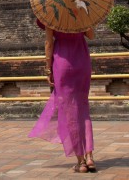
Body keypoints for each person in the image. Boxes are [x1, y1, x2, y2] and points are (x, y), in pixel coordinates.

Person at [28, 18, 97, 173]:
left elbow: (49, 44)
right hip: (82, 61)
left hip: (63, 62)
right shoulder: (82, 11)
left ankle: (81, 161)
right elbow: (91, 36)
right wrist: (84, 17)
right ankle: (90, 155)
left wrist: (48, 69)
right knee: (83, 109)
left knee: (70, 112)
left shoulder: (51, 15)